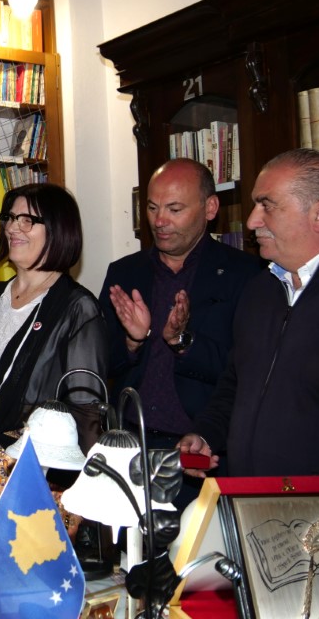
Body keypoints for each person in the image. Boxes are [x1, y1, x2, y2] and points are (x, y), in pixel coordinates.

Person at [181, 148, 319, 584]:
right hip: (255, 527)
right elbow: (235, 382)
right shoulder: (260, 290)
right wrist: (206, 434)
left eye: (267, 205)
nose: (252, 221)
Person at [0, 183, 108, 551]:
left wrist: (91, 503)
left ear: (59, 229)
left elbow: (88, 415)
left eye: (27, 220)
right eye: (9, 218)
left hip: (39, 480)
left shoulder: (78, 309)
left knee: (26, 582)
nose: (12, 228)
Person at [99, 159, 261, 459]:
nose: (159, 221)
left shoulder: (246, 275)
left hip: (200, 449)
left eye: (174, 210)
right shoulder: (125, 272)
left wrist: (183, 341)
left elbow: (248, 373)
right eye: (152, 208)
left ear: (210, 208)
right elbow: (100, 364)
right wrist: (132, 341)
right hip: (128, 443)